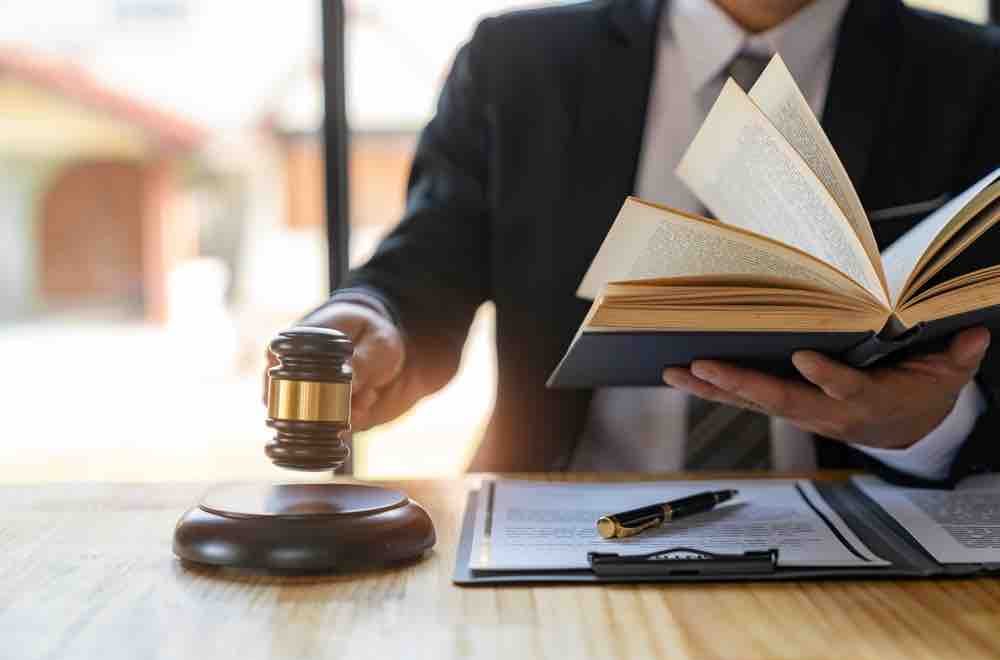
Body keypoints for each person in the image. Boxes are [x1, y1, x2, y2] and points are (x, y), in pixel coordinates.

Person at [287, 0, 1000, 483]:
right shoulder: (519, 66)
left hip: (873, 560)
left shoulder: (972, 78)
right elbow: (425, 267)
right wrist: (371, 320)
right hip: (564, 536)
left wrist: (931, 426)